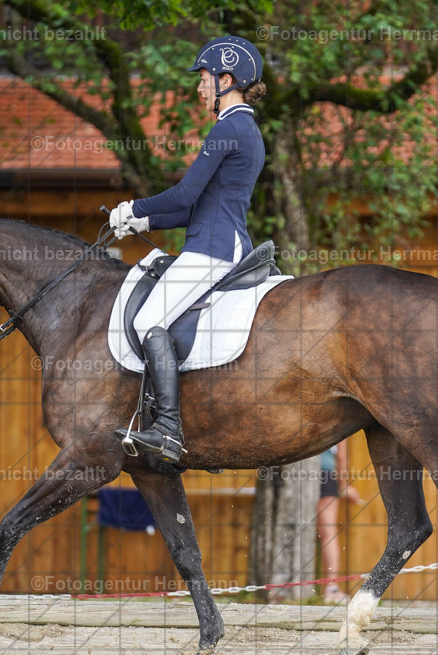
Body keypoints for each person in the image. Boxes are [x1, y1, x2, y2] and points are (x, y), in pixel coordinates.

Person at [109, 36, 267, 463]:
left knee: (147, 321)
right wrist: (145, 223)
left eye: (203, 78)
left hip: (213, 249)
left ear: (226, 80)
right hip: (219, 240)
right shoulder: (245, 129)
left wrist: (134, 207)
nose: (199, 87)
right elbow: (197, 208)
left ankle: (167, 429)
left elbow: (184, 194)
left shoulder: (229, 127)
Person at [316, 439, 362, 604]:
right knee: (328, 534)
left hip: (294, 475)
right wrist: (343, 486)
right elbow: (341, 454)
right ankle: (331, 588)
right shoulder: (335, 423)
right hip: (325, 474)